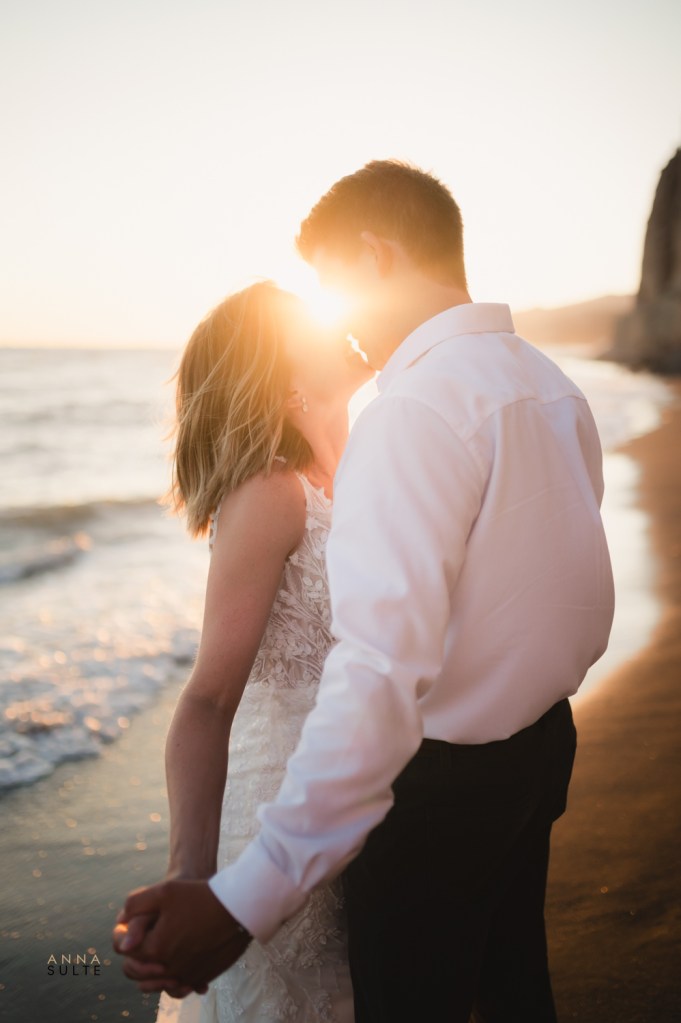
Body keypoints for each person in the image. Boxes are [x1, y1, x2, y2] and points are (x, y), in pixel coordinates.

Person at [115, 161, 615, 1022]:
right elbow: (553, 588)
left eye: (330, 283)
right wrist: (200, 870)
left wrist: (244, 897)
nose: (336, 319)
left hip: (430, 792)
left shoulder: (412, 413)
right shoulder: (546, 384)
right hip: (526, 757)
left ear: (375, 255)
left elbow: (381, 663)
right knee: (508, 990)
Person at [145, 280, 372, 1022]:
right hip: (281, 794)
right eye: (309, 330)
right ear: (277, 374)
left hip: (343, 786)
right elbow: (209, 697)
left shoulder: (337, 475)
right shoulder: (271, 493)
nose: (332, 334)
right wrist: (192, 874)